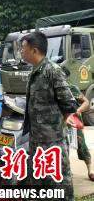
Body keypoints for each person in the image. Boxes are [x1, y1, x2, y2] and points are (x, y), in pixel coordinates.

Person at [20, 32, 79, 200]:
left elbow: (69, 104)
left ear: (34, 50)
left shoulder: (52, 70)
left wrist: (57, 126)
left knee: (60, 186)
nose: (21, 52)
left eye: (23, 48)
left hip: (53, 143)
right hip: (36, 141)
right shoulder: (34, 71)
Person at [62, 67, 94, 181]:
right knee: (63, 146)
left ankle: (90, 170)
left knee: (82, 145)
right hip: (61, 122)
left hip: (74, 122)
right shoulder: (54, 89)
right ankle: (67, 171)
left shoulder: (72, 89)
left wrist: (78, 111)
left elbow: (86, 102)